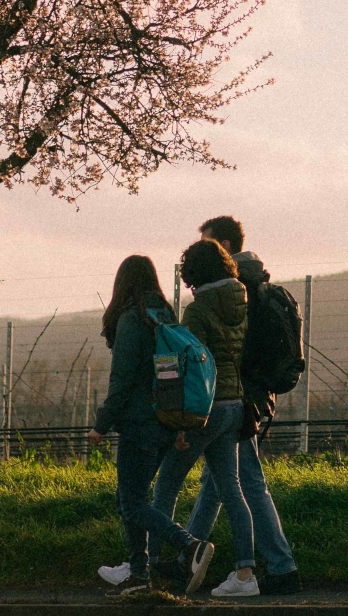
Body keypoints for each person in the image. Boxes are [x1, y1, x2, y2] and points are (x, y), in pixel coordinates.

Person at [179, 216, 302, 594]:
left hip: (234, 399)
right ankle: (188, 559)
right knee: (218, 481)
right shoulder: (254, 282)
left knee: (246, 481)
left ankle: (280, 568)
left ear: (225, 247)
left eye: (209, 244)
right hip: (249, 397)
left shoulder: (234, 287)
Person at [87, 255, 217, 595]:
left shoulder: (133, 320)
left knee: (132, 502)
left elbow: (122, 381)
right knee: (129, 499)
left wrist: (101, 424)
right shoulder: (166, 318)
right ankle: (140, 575)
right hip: (164, 424)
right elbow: (172, 377)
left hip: (138, 425)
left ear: (122, 284)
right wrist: (179, 428)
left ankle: (189, 546)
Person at [150, 238, 260, 598]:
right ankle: (246, 575)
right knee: (232, 490)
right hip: (235, 406)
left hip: (206, 410)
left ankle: (150, 565)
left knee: (166, 484)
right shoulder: (241, 299)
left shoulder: (197, 311)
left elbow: (187, 370)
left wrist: (182, 424)